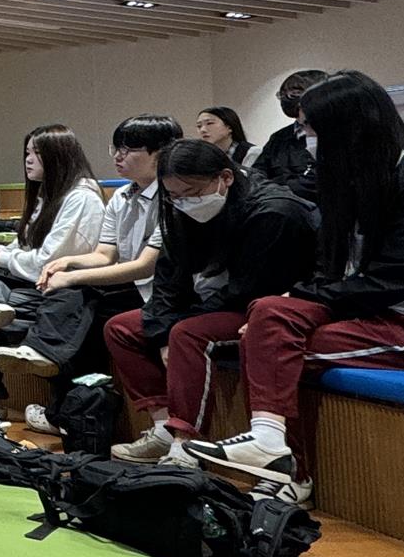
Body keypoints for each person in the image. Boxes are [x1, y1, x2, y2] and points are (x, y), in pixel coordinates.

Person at [184, 72, 404, 501]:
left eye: (309, 128)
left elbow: (392, 281)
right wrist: (296, 299)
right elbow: (330, 270)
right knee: (268, 312)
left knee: (271, 343)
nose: (303, 138)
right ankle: (271, 446)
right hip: (365, 312)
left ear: (349, 128)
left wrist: (303, 298)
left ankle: (292, 471)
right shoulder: (348, 181)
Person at [105, 139, 317, 473]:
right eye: (174, 195)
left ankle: (184, 441)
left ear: (225, 178)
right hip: (219, 300)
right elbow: (168, 277)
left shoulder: (274, 211)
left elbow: (248, 290)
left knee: (187, 333)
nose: (184, 202)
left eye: (191, 192)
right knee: (122, 328)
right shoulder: (176, 207)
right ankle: (161, 428)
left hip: (266, 303)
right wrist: (161, 332)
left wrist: (174, 326)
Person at [10, 114, 179, 432]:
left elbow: (145, 266)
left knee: (75, 304)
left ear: (160, 152)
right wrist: (69, 263)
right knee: (76, 312)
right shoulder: (121, 198)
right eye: (115, 148)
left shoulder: (174, 195)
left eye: (128, 149)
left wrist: (72, 275)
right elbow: (104, 255)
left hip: (165, 292)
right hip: (132, 288)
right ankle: (72, 411)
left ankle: (58, 390)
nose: (118, 156)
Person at [0, 126, 106, 416]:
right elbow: (22, 250)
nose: (28, 160)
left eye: (37, 153)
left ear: (58, 156)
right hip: (26, 282)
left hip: (60, 287)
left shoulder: (82, 197)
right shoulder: (46, 195)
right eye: (26, 153)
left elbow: (49, 261)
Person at [254, 68, 328, 201]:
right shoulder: (279, 138)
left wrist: (280, 187)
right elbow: (257, 174)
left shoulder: (340, 136)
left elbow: (318, 183)